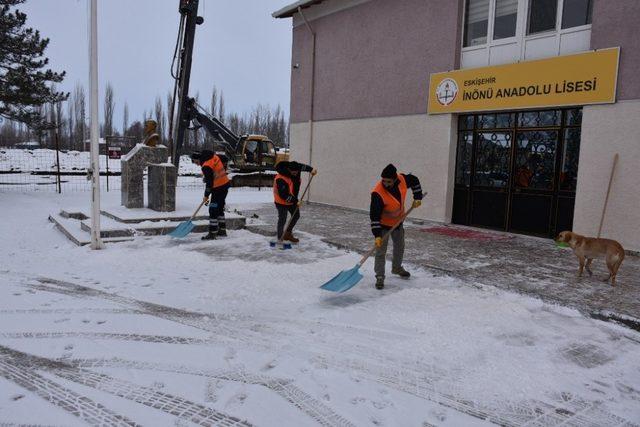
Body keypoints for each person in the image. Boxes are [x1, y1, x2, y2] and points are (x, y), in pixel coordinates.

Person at [370, 164, 423, 289]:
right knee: (380, 251)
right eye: (383, 180)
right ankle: (380, 276)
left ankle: (397, 268)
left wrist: (418, 197)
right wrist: (377, 235)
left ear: (395, 179)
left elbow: (414, 180)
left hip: (398, 222)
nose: (385, 184)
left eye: (388, 181)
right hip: (383, 225)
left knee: (400, 246)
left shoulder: (402, 180)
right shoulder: (377, 193)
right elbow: (374, 216)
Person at [190, 150, 231, 240]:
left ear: (199, 158)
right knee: (219, 208)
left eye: (196, 162)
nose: (197, 164)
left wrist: (206, 195)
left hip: (218, 189)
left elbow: (209, 183)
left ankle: (212, 233)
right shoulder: (213, 156)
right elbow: (224, 159)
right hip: (225, 186)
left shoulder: (206, 166)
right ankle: (222, 230)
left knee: (212, 209)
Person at [273, 161, 317, 243]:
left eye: (297, 172)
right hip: (281, 202)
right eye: (293, 172)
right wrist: (295, 201)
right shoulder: (281, 178)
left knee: (296, 216)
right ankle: (280, 238)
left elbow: (303, 167)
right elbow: (283, 195)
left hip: (292, 200)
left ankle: (287, 234)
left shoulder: (297, 168)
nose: (296, 174)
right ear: (289, 170)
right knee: (282, 219)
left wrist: (311, 170)